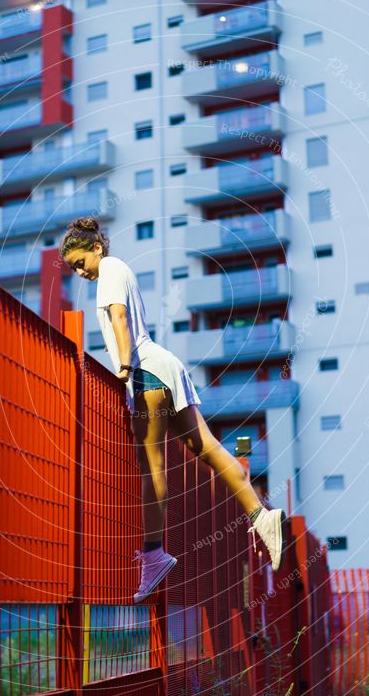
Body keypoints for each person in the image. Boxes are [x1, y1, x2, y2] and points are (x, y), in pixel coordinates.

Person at [59, 216, 286, 603]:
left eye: (81, 262)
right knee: (206, 447)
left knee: (152, 467)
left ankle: (153, 554)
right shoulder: (120, 269)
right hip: (165, 366)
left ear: (97, 248)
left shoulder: (110, 269)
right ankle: (260, 514)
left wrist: (125, 367)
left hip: (146, 370)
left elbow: (118, 317)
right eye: (74, 268)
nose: (80, 272)